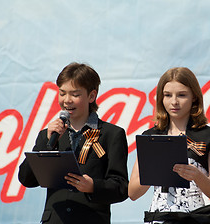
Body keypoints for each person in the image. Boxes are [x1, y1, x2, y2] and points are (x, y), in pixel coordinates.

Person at [18, 62, 129, 224]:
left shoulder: (111, 134)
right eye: (62, 93)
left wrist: (93, 186)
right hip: (55, 219)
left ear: (91, 96)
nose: (67, 100)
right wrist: (46, 143)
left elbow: (121, 187)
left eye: (75, 95)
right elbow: (26, 179)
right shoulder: (49, 134)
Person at [128, 67, 210, 224]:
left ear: (194, 96)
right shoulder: (150, 137)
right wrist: (153, 170)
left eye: (182, 95)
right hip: (159, 218)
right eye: (167, 95)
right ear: (161, 98)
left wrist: (196, 175)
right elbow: (132, 193)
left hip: (194, 218)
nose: (174, 101)